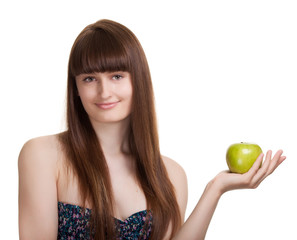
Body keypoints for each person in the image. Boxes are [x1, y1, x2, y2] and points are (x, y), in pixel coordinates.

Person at [18, 19, 286, 240]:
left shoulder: (170, 175)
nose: (104, 91)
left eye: (117, 76)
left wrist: (216, 188)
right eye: (89, 78)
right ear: (75, 88)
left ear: (139, 80)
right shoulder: (42, 156)